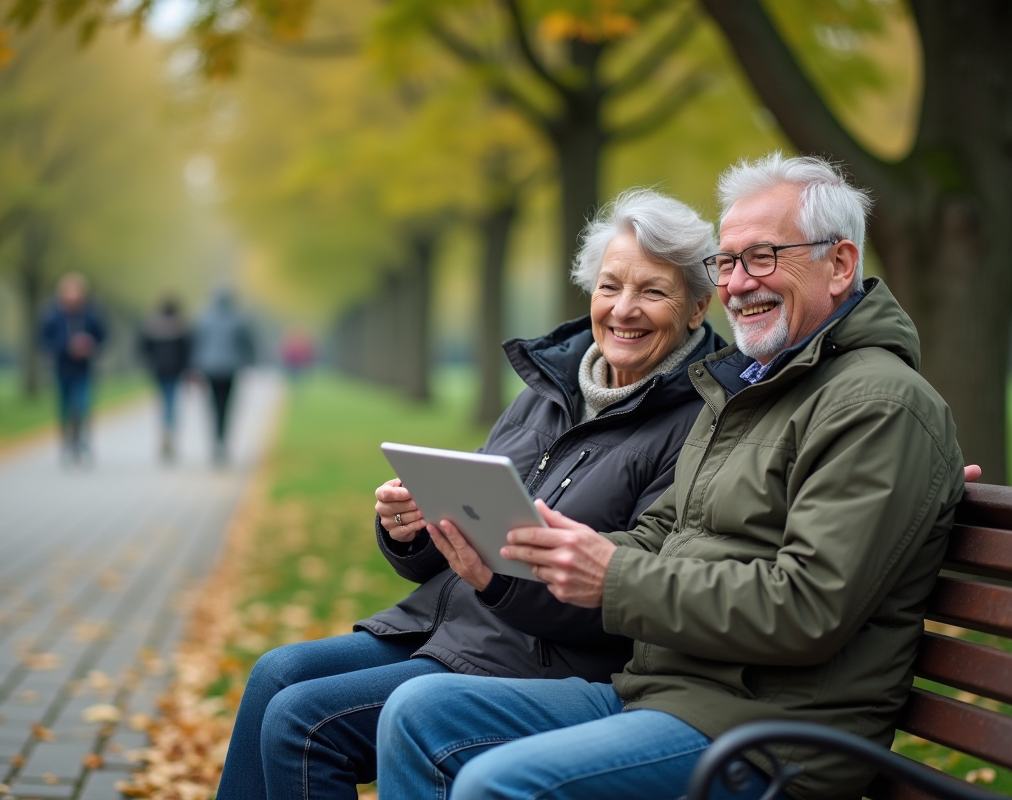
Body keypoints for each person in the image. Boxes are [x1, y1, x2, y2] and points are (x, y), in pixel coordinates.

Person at [375, 154, 967, 800]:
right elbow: (661, 534)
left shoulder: (878, 405)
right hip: (664, 696)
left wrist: (614, 574)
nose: (739, 283)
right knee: (419, 713)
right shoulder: (750, 390)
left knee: (501, 783)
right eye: (729, 261)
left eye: (763, 257)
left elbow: (807, 607)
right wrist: (529, 547)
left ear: (841, 264)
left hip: (771, 736)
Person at [215, 189, 729, 800]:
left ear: (698, 308)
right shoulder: (550, 387)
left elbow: (634, 595)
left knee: (303, 722)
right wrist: (410, 529)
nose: (624, 309)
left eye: (653, 292)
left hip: (539, 659)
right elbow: (469, 524)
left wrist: (500, 582)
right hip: (448, 624)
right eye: (609, 286)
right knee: (275, 674)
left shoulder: (702, 420)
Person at [40, 273, 106, 466]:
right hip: (62, 369)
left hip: (84, 369)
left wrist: (90, 344)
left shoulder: (91, 314)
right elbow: (44, 341)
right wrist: (68, 346)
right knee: (64, 409)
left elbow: (103, 336)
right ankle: (67, 443)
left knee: (82, 407)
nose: (73, 297)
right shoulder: (52, 315)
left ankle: (81, 443)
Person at [191, 286, 255, 465]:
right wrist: (248, 364)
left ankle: (216, 441)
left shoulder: (203, 317)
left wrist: (195, 367)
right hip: (230, 368)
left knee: (213, 406)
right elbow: (248, 344)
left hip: (209, 368)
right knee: (226, 406)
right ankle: (223, 440)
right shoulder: (239, 319)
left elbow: (196, 344)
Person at [138, 296, 193, 462]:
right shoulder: (180, 326)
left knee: (163, 401)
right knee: (172, 401)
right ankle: (169, 433)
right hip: (175, 370)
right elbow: (187, 350)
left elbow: (143, 347)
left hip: (158, 370)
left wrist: (150, 362)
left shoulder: (152, 326)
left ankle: (164, 432)